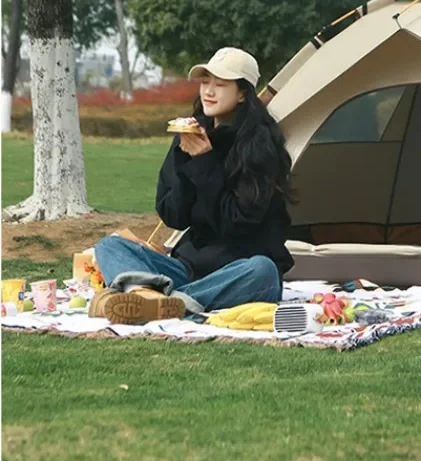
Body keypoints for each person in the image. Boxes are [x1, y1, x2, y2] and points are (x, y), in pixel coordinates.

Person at [89, 47, 295, 324]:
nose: (209, 91)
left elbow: (238, 224)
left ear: (243, 93)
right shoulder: (190, 133)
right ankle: (151, 298)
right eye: (205, 82)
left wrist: (204, 163)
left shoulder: (261, 146)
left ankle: (161, 300)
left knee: (263, 271)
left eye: (220, 85)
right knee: (111, 246)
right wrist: (188, 163)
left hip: (238, 268)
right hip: (189, 267)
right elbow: (173, 216)